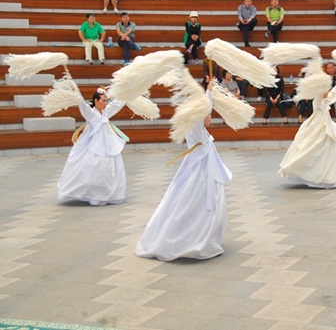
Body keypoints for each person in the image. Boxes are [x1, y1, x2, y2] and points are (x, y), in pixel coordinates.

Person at [135, 88, 232, 260]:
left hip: (207, 171)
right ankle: (191, 239)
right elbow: (200, 109)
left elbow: (202, 108)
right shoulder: (195, 128)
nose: (210, 117)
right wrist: (206, 95)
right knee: (192, 205)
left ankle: (206, 237)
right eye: (207, 114)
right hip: (198, 174)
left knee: (211, 206)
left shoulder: (200, 129)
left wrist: (209, 92)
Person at [57, 88, 127, 206]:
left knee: (108, 169)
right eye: (103, 101)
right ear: (96, 101)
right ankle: (91, 194)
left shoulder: (106, 112)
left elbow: (117, 103)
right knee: (92, 167)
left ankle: (106, 194)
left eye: (106, 101)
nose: (105, 103)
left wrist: (129, 90)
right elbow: (82, 104)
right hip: (93, 146)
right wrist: (76, 92)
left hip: (107, 145)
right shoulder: (90, 113)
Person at [279, 80, 336, 188]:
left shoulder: (320, 96)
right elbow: (330, 97)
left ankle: (324, 176)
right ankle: (319, 176)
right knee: (317, 146)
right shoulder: (320, 96)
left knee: (323, 148)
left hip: (321, 122)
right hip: (319, 123)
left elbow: (332, 95)